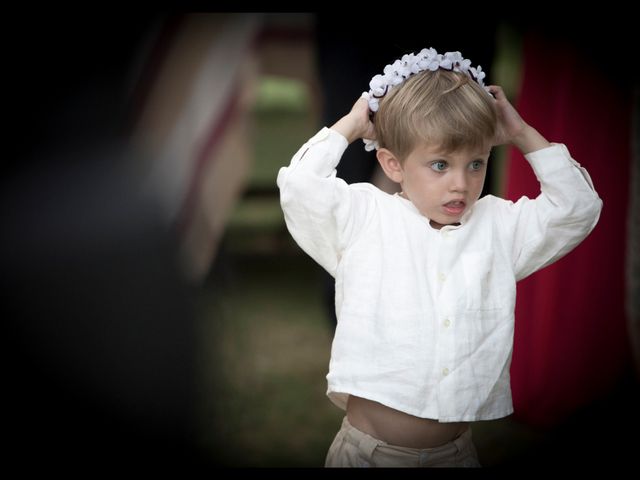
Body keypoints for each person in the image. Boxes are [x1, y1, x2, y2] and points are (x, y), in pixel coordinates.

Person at [276, 48, 602, 467]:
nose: (460, 184)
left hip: (455, 456)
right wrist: (352, 125)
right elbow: (301, 187)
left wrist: (521, 133)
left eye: (476, 163)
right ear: (393, 164)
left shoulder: (498, 228)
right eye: (440, 164)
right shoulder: (364, 218)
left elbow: (578, 207)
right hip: (368, 455)